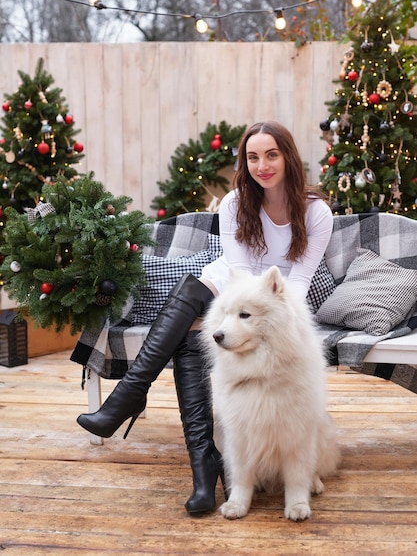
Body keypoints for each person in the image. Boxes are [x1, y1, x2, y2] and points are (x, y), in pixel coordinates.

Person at [76, 120, 333, 515]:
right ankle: (149, 409)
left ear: (288, 158)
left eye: (271, 155)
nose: (261, 165)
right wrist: (225, 315)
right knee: (192, 292)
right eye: (252, 157)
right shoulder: (234, 204)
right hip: (233, 283)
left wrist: (257, 311)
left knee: (189, 333)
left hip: (279, 295)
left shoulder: (316, 212)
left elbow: (298, 278)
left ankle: (150, 417)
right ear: (243, 161)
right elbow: (237, 267)